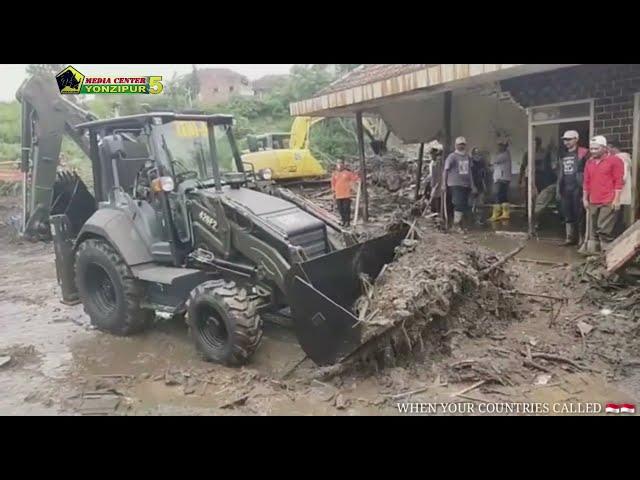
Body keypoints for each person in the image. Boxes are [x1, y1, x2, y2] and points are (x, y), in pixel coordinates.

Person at [583, 136, 624, 253]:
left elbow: (619, 181)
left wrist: (617, 199)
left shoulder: (615, 161)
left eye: (596, 149)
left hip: (608, 199)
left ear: (604, 148)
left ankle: (607, 255)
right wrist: (585, 198)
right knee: (593, 229)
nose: (593, 151)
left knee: (604, 229)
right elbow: (586, 181)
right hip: (593, 200)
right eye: (591, 149)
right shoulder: (589, 162)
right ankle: (594, 256)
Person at [557, 130, 589, 246]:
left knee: (579, 214)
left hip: (578, 188)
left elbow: (588, 172)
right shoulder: (562, 154)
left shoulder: (584, 153)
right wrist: (558, 189)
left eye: (569, 139)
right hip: (565, 187)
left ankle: (581, 239)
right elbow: (560, 172)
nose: (566, 142)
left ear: (576, 139)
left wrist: (586, 189)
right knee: (567, 213)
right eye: (565, 139)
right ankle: (570, 237)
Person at [443, 137, 476, 232]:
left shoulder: (467, 157)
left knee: (464, 205)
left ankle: (461, 225)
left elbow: (470, 172)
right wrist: (443, 184)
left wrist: (473, 185)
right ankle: (455, 225)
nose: (461, 146)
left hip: (466, 184)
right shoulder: (452, 157)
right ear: (456, 145)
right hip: (455, 183)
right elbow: (446, 170)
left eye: (463, 144)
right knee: (458, 204)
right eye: (459, 144)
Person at [607, 140, 632, 235]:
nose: (607, 150)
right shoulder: (624, 158)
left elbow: (623, 177)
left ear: (614, 148)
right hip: (622, 195)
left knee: (615, 219)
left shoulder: (620, 159)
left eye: (608, 147)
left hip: (619, 195)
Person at [488, 138, 512, 222]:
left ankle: (496, 214)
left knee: (497, 195)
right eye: (499, 145)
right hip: (504, 178)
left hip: (501, 178)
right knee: (503, 196)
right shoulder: (506, 154)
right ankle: (505, 213)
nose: (499, 147)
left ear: (505, 146)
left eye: (501, 145)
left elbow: (493, 161)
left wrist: (488, 163)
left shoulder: (503, 155)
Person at [331, 160, 360, 228]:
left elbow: (355, 179)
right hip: (338, 194)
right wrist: (333, 191)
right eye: (338, 164)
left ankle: (347, 222)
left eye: (341, 164)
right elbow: (333, 183)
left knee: (346, 209)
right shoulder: (334, 174)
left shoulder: (348, 173)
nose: (339, 165)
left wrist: (359, 177)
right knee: (340, 209)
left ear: (343, 165)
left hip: (346, 194)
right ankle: (343, 221)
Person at [470, 148, 488, 224]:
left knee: (480, 200)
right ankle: (475, 216)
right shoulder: (471, 163)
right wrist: (472, 185)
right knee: (474, 200)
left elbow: (483, 174)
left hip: (480, 182)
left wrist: (484, 184)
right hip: (473, 182)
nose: (477, 155)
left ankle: (478, 218)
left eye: (478, 153)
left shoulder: (481, 162)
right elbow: (470, 174)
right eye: (475, 153)